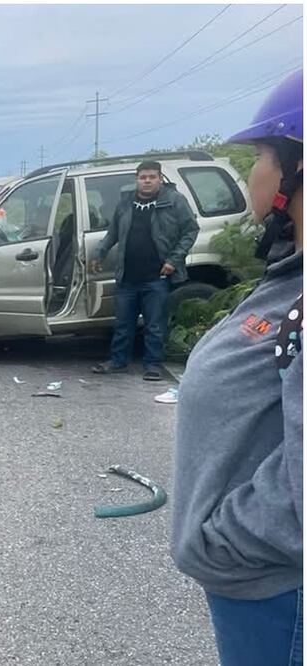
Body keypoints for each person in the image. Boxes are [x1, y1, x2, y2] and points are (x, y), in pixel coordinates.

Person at [171, 69, 302, 666]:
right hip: (263, 587)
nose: (253, 171)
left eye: (263, 156)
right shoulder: (291, 279)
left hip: (280, 593)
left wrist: (221, 541)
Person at [90, 160, 199, 381]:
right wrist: (99, 253)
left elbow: (190, 230)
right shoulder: (125, 203)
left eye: (152, 177)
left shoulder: (174, 201)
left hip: (157, 276)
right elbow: (112, 233)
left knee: (155, 324)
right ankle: (118, 361)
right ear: (136, 180)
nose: (147, 181)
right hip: (127, 275)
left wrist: (173, 260)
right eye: (142, 177)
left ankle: (153, 365)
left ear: (160, 179)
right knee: (123, 323)